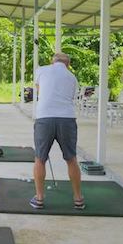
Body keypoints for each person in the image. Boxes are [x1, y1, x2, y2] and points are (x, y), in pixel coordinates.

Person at [30, 53, 84, 210]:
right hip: (67, 119)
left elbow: (40, 92)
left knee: (40, 159)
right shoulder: (72, 77)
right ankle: (78, 199)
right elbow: (71, 97)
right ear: (68, 64)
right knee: (71, 158)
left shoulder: (41, 70)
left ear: (53, 61)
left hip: (44, 118)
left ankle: (39, 198)